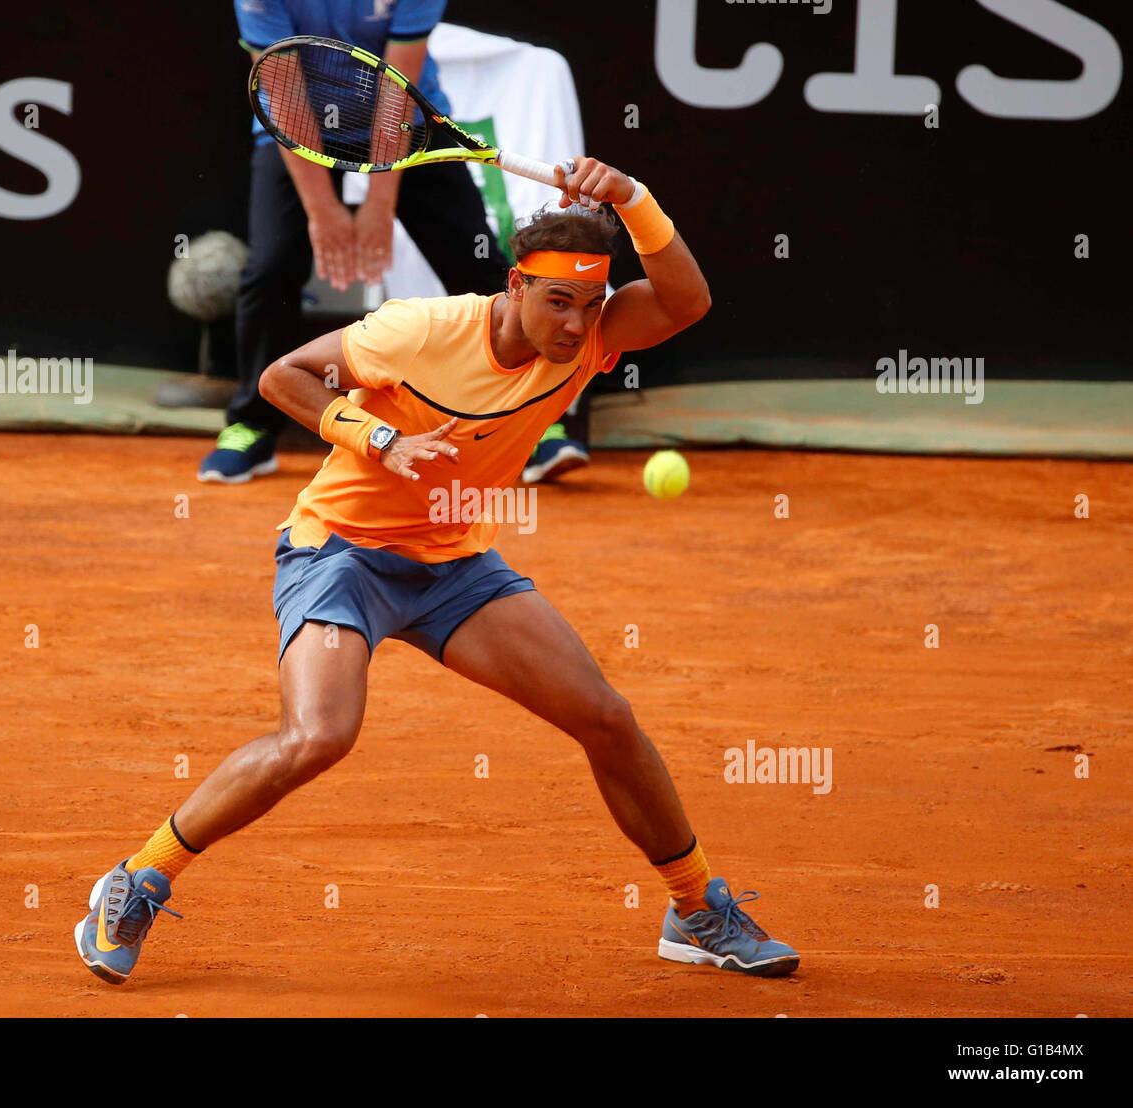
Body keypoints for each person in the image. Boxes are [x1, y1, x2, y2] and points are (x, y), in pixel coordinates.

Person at [77, 156, 800, 984]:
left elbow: (687, 301)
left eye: (589, 306)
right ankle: (136, 879)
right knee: (318, 737)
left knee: (605, 717)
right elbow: (286, 378)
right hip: (340, 553)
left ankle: (695, 905)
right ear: (514, 285)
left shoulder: (591, 338)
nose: (573, 325)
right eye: (557, 301)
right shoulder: (417, 330)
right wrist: (379, 439)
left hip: (451, 564)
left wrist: (636, 198)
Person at [201, 0, 588, 484]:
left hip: (410, 124)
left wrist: (379, 205)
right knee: (271, 266)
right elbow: (284, 93)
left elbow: (396, 86)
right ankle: (250, 426)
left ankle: (537, 421)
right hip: (299, 131)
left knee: (481, 264)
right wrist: (324, 214)